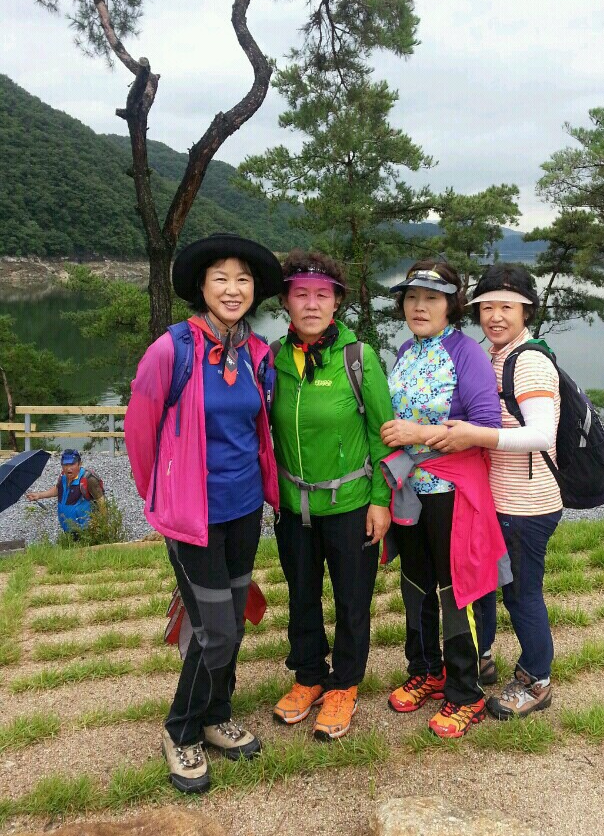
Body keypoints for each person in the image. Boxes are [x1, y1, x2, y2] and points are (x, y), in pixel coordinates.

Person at [124, 234, 282, 794]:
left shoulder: (257, 353)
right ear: (202, 287)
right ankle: (182, 730)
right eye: (221, 278)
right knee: (215, 628)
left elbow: (259, 429)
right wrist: (160, 498)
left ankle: (217, 716)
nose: (233, 289)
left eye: (243, 279)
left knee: (231, 619)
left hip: (243, 509)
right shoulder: (173, 349)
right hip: (191, 515)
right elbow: (139, 432)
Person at [427, 263, 562, 719]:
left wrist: (474, 435)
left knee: (521, 593)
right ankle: (481, 657)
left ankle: (536, 679)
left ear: (526, 312)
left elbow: (542, 434)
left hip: (528, 503)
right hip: (493, 498)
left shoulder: (530, 361)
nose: (496, 316)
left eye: (507, 307)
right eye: (487, 307)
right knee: (482, 585)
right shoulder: (491, 355)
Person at [270, 249, 393, 741]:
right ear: (285, 301)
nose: (311, 304)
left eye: (322, 295)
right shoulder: (273, 359)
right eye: (300, 294)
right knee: (301, 595)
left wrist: (381, 499)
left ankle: (344, 683)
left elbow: (384, 434)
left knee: (351, 599)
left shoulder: (357, 358)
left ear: (337, 302)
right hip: (292, 505)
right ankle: (309, 675)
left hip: (351, 503)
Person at [380, 260, 505, 738]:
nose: (419, 306)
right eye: (412, 297)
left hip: (451, 489)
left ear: (451, 304)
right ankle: (426, 669)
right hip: (408, 488)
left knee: (457, 591)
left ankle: (465, 692)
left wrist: (418, 433)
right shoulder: (406, 351)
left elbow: (485, 425)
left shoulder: (466, 353)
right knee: (415, 583)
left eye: (431, 298)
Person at [26, 448, 105, 535]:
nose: (68, 468)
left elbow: (101, 502)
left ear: (79, 464)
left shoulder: (88, 479)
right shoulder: (63, 477)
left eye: (72, 464)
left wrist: (102, 527)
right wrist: (39, 495)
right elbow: (58, 489)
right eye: (65, 465)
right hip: (68, 529)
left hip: (85, 530)